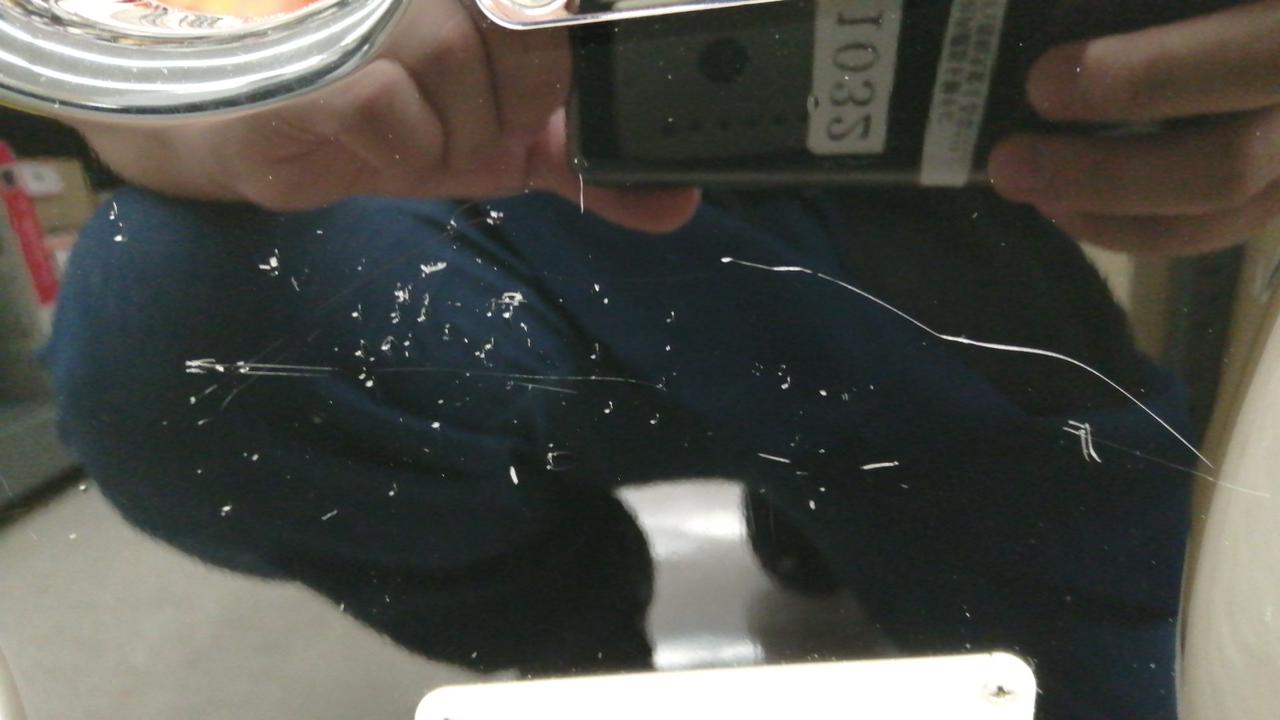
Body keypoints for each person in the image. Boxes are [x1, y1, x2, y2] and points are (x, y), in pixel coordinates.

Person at [39, 1, 1280, 717]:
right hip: (488, 216)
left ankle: (832, 502)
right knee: (168, 311)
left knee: (1157, 676)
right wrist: (230, 102)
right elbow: (96, 58)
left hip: (932, 224)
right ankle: (579, 639)